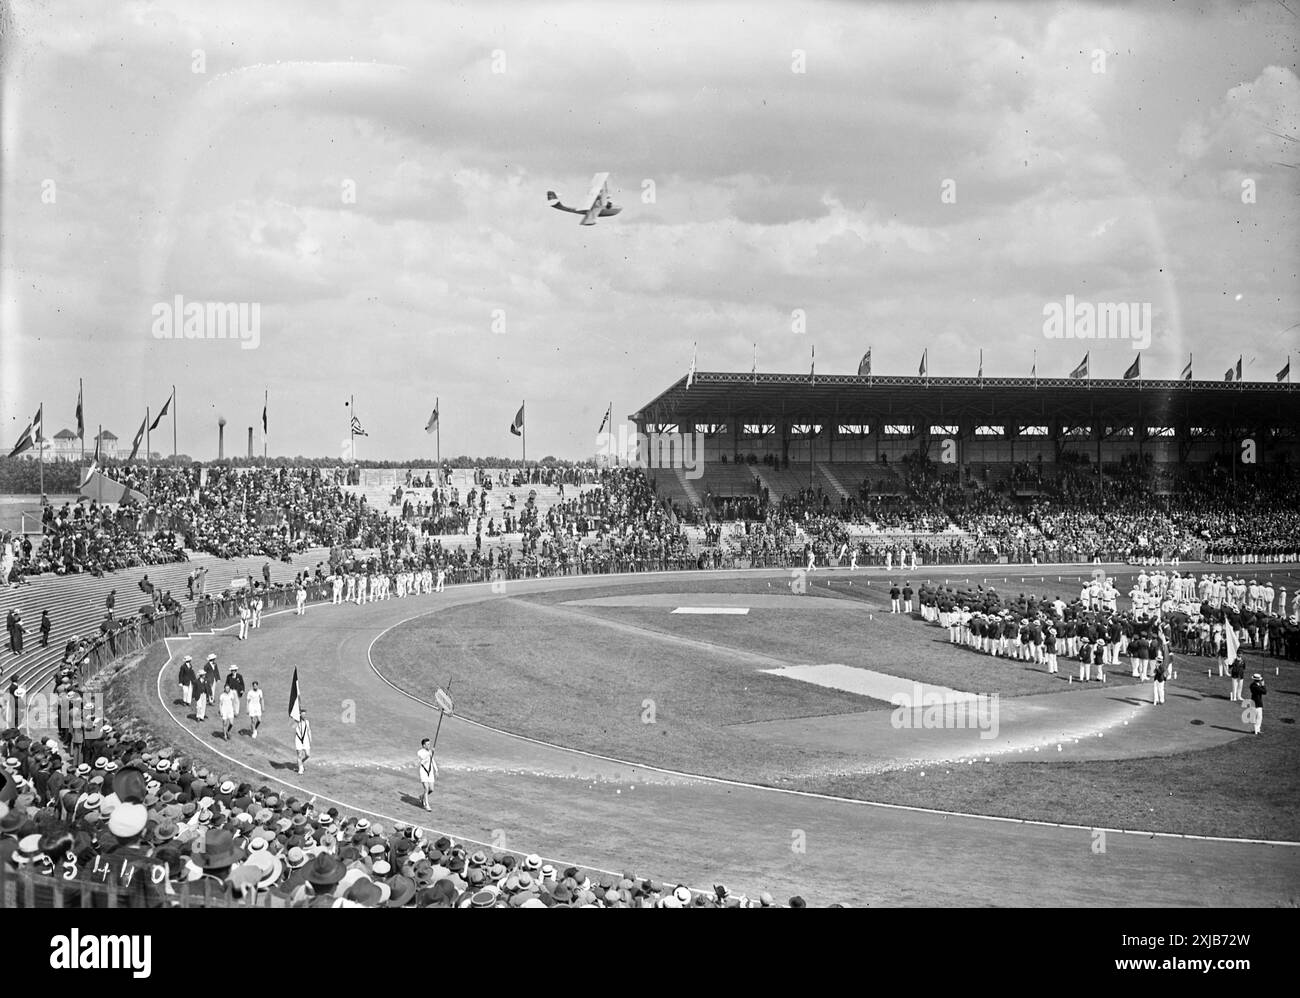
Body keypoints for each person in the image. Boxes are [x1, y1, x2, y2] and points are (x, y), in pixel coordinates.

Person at [417, 737, 438, 811]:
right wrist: (429, 754)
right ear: (423, 745)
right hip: (423, 772)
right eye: (428, 744)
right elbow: (423, 761)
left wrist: (436, 770)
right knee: (426, 788)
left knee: (431, 789)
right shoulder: (420, 752)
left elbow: (432, 760)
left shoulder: (429, 751)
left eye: (429, 744)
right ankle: (426, 805)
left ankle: (421, 796)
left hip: (430, 772)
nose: (429, 746)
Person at [295, 709, 312, 774]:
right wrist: (297, 720)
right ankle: (300, 769)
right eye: (303, 714)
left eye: (305, 714)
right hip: (298, 740)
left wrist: (310, 738)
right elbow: (292, 726)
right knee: (299, 755)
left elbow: (309, 730)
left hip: (306, 740)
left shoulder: (307, 722)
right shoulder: (296, 722)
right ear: (300, 715)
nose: (304, 715)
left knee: (307, 755)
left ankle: (300, 762)